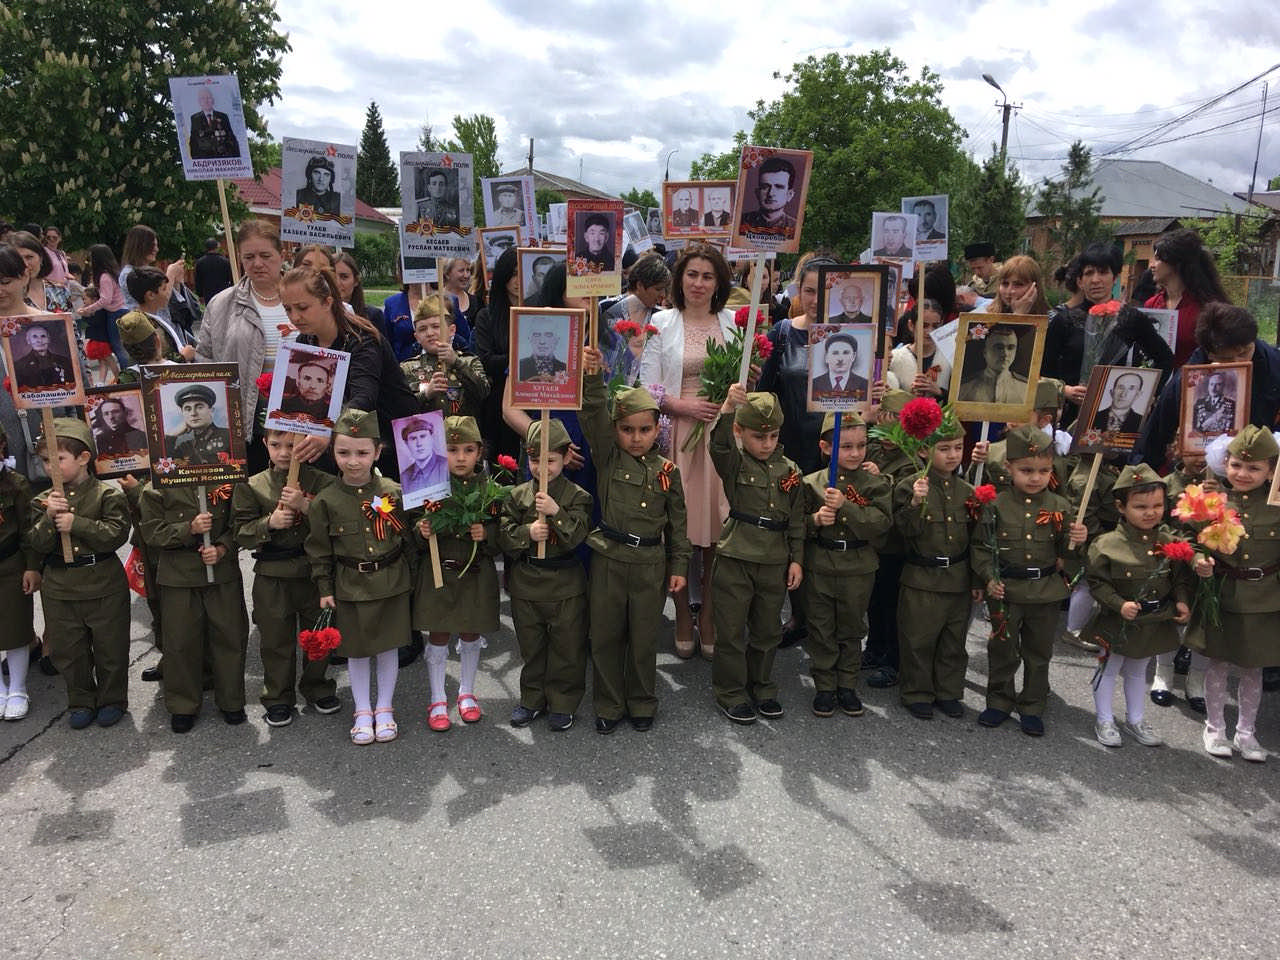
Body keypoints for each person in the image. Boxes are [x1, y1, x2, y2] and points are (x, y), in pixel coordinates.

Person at [579, 354, 691, 733]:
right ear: (616, 430)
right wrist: (592, 378)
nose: (637, 438)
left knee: (644, 639)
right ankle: (609, 704)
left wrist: (678, 568)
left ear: (657, 428)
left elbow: (678, 524)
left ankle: (642, 700)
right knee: (606, 636)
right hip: (609, 561)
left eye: (645, 429)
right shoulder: (608, 458)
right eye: (627, 429)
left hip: (650, 565)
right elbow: (593, 414)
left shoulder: (667, 471)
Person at [639, 244, 737, 659]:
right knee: (678, 531)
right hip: (677, 436)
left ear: (719, 283)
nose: (698, 283)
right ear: (679, 279)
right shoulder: (661, 323)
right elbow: (646, 387)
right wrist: (681, 406)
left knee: (718, 533)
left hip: (721, 439)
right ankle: (681, 611)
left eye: (708, 276)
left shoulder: (735, 324)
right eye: (692, 274)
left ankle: (710, 614)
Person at [305, 409, 412, 745]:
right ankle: (362, 710)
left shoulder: (393, 491)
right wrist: (324, 588)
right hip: (350, 585)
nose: (353, 462)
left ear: (378, 452)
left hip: (392, 581)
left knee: (388, 647)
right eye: (344, 452)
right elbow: (319, 549)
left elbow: (409, 540)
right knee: (357, 650)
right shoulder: (327, 500)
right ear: (332, 452)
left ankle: (384, 708)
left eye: (363, 453)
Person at [973, 425, 1087, 736]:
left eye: (1043, 470)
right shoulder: (995, 505)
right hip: (1006, 590)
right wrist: (988, 577)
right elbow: (982, 548)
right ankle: (998, 700)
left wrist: (1078, 540)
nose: (1035, 478)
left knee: (1038, 653)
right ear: (1009, 468)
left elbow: (1068, 554)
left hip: (1045, 592)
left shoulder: (1060, 507)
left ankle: (1033, 705)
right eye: (1026, 470)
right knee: (1002, 648)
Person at [709, 386, 805, 724]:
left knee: (767, 631)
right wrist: (726, 409)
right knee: (732, 632)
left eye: (773, 436)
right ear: (740, 431)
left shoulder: (791, 470)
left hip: (774, 559)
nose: (765, 444)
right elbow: (718, 446)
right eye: (757, 436)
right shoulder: (735, 463)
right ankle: (731, 692)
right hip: (737, 557)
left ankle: (762, 686)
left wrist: (796, 559)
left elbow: (796, 519)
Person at [232, 429, 340, 727]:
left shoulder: (323, 481)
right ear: (265, 444)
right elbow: (239, 532)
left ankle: (317, 686)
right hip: (272, 575)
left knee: (318, 635)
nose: (283, 453)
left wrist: (307, 507)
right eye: (276, 445)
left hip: (313, 572)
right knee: (275, 639)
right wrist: (270, 522)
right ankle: (278, 696)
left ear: (304, 447)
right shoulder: (252, 485)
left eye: (292, 446)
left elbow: (338, 523)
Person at [31, 418, 131, 729]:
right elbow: (35, 542)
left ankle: (112, 699)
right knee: (69, 650)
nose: (51, 468)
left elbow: (116, 534)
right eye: (46, 461)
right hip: (60, 587)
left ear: (83, 458)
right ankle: (81, 700)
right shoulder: (43, 500)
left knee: (110, 647)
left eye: (58, 459)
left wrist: (78, 524)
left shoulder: (106, 495)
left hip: (102, 582)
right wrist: (49, 519)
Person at [1085, 465, 1192, 748]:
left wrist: (1181, 600)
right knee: (1108, 668)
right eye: (1140, 506)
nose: (1150, 512)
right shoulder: (1106, 544)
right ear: (1121, 507)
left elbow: (1178, 577)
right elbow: (1096, 583)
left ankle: (1135, 719)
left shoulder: (1168, 541)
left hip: (1152, 620)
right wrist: (1119, 605)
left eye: (1157, 505)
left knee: (1137, 671)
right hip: (1116, 621)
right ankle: (1105, 719)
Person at [1189, 425, 1279, 761]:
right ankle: (1214, 728)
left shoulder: (1277, 507)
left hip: (1265, 599)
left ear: (1271, 471)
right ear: (1225, 463)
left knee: (1253, 669)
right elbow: (1188, 537)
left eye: (1254, 468)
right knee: (1218, 664)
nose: (1243, 474)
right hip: (1223, 593)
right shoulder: (1211, 501)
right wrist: (1199, 560)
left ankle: (1247, 733)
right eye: (1236, 465)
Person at [497, 419, 593, 731]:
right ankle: (532, 699)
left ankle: (563, 701)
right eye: (535, 460)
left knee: (567, 648)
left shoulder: (578, 496)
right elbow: (504, 537)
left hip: (565, 585)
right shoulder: (518, 495)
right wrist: (528, 532)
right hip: (527, 583)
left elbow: (579, 537)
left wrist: (556, 513)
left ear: (566, 458)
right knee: (532, 646)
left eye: (550, 460)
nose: (541, 467)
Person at [280, 266, 419, 479]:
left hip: (396, 439)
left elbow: (364, 398)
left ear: (328, 302)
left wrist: (326, 429)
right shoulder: (305, 340)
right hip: (349, 443)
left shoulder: (362, 339)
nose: (295, 317)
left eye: (302, 308)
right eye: (288, 309)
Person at [413, 416, 502, 731]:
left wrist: (487, 534)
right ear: (440, 451)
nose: (460, 457)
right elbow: (409, 534)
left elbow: (503, 532)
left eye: (468, 450)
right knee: (437, 634)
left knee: (470, 632)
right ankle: (438, 697)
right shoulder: (428, 486)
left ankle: (466, 692)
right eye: (451, 449)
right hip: (439, 574)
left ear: (480, 452)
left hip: (475, 575)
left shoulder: (490, 489)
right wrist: (421, 531)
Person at [802, 411, 891, 718]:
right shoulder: (811, 483)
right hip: (821, 565)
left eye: (861, 445)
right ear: (826, 448)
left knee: (852, 629)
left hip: (858, 566)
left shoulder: (874, 484)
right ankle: (825, 687)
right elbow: (794, 526)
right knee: (821, 628)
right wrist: (814, 521)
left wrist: (846, 507)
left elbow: (880, 524)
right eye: (846, 446)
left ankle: (847, 686)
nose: (855, 453)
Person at [893, 414, 975, 720]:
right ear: (925, 451)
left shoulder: (966, 490)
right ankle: (917, 691)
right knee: (919, 639)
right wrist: (915, 503)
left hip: (957, 577)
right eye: (944, 448)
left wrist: (977, 580)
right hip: (922, 577)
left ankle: (948, 691)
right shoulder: (909, 486)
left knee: (954, 641)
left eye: (958, 447)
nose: (953, 455)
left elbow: (976, 538)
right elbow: (903, 531)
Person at [1133, 304, 1280, 470]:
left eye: (1245, 352)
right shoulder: (1191, 374)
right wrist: (1140, 473)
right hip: (1206, 466)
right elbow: (1160, 425)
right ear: (1210, 354)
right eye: (1229, 359)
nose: (1241, 362)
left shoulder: (1274, 365)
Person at [0, 424, 40, 721]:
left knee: (15, 628)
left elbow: (28, 530)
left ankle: (17, 687)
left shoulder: (15, 484)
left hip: (10, 564)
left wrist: (31, 567)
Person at [1146, 228, 1230, 366]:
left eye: (1158, 259)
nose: (1152, 265)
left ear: (1175, 263)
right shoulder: (1152, 304)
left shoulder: (1207, 308)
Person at [400, 296, 489, 419]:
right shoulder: (407, 368)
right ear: (417, 337)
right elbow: (400, 408)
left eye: (436, 326)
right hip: (426, 434)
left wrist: (456, 363)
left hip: (464, 435)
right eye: (423, 329)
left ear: (452, 330)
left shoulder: (469, 361)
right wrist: (426, 394)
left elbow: (483, 393)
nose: (430, 333)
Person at [472, 247, 523, 464]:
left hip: (536, 398)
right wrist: (522, 360)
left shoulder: (544, 312)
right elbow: (485, 361)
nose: (518, 280)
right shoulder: (487, 316)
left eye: (522, 273)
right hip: (499, 401)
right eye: (512, 274)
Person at [124, 265, 197, 361]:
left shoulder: (154, 318)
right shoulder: (142, 326)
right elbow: (151, 362)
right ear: (150, 295)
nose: (167, 293)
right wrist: (182, 358)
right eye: (163, 289)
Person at [78, 243, 129, 369]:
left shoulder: (104, 277)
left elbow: (106, 300)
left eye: (90, 258)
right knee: (123, 347)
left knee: (118, 347)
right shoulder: (113, 274)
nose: (88, 262)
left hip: (116, 314)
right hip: (123, 310)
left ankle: (127, 375)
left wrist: (86, 310)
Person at [887, 299, 950, 399]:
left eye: (935, 326)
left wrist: (939, 392)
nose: (929, 331)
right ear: (911, 325)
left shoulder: (950, 357)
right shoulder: (894, 358)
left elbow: (959, 398)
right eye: (924, 326)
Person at [957, 324, 1027, 403]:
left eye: (1011, 348)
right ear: (985, 352)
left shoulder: (1026, 388)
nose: (1005, 354)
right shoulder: (964, 388)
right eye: (999, 347)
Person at [167, 384, 232, 465]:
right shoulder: (184, 445)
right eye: (188, 409)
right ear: (183, 413)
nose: (193, 413)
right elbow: (162, 467)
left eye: (199, 407)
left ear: (212, 410)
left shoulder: (229, 436)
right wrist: (171, 435)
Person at [333, 252, 388, 340]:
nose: (337, 283)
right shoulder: (317, 316)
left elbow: (384, 351)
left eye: (344, 277)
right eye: (332, 276)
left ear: (356, 281)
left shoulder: (373, 316)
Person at [975, 255, 1050, 316]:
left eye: (1018, 284)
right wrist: (1018, 315)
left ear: (1034, 287)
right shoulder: (983, 314)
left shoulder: (1052, 320)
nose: (1009, 291)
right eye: (1005, 284)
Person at [742, 157, 798, 236]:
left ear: (790, 195)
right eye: (765, 187)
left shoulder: (795, 228)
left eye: (779, 187)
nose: (771, 194)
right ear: (757, 193)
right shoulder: (740, 222)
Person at [13, 323, 74, 389]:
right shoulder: (19, 365)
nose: (39, 340)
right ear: (28, 340)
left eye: (43, 336)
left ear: (49, 339)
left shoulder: (64, 361)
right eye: (35, 337)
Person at [398, 416, 448, 496]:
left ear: (432, 438)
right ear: (406, 444)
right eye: (413, 438)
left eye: (423, 436)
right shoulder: (404, 477)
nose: (419, 444)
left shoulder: (447, 466)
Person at [810, 331, 867, 399]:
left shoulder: (865, 384)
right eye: (835, 353)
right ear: (827, 357)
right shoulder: (813, 384)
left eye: (845, 353)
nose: (840, 358)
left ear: (853, 356)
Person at [278, 356, 335, 424]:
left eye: (320, 381)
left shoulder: (331, 412)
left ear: (327, 386)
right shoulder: (282, 405)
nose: (312, 386)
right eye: (307, 379)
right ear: (298, 382)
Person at [188, 87, 239, 159]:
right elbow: (194, 142)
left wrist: (236, 158)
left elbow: (231, 138)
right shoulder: (195, 118)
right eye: (203, 98)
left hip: (224, 159)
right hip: (205, 161)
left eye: (208, 98)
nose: (206, 101)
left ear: (213, 100)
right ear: (199, 102)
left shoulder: (223, 116)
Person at [517, 314, 568, 381]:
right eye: (537, 335)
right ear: (530, 339)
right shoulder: (518, 366)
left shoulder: (566, 368)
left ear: (556, 340)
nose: (542, 341)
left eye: (548, 335)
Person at [194, 238, 234, 305]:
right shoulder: (225, 262)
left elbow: (198, 280)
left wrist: (200, 295)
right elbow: (231, 278)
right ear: (217, 247)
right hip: (223, 293)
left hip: (208, 294)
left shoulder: (200, 263)